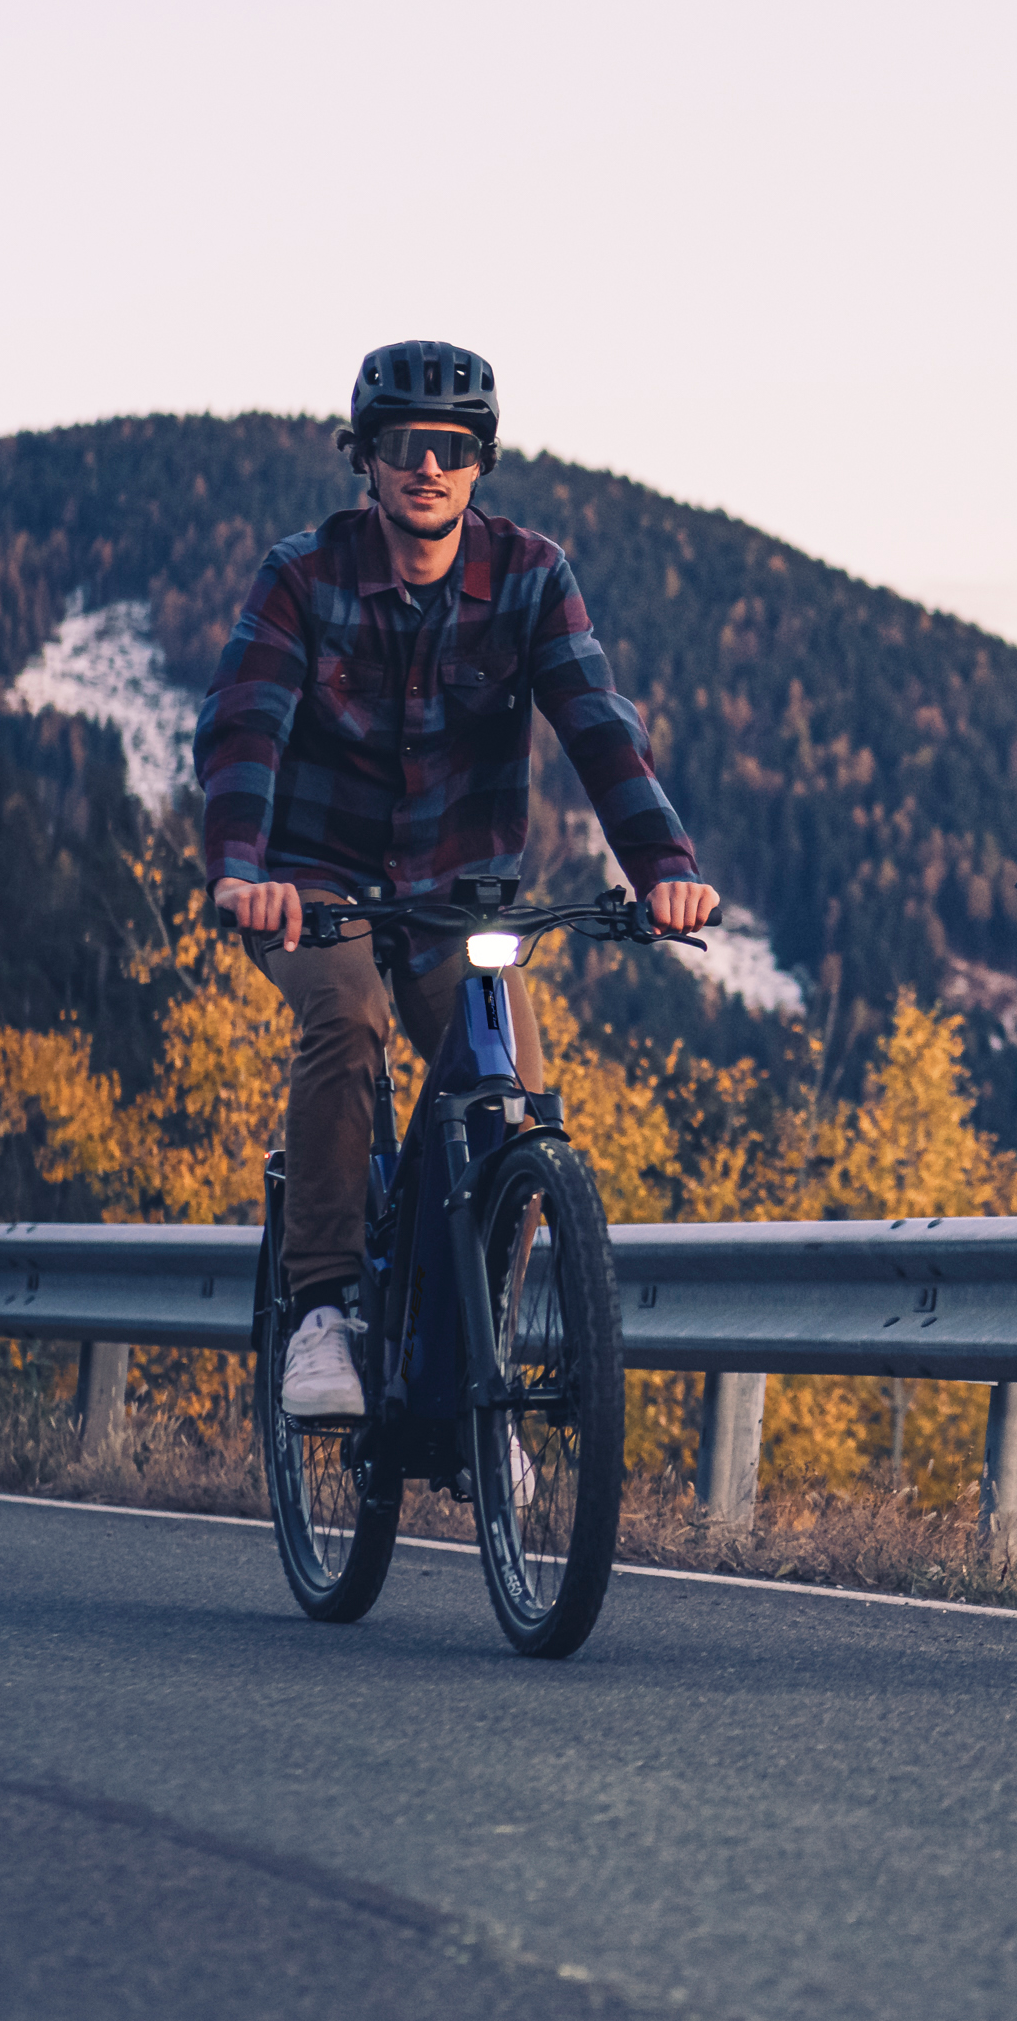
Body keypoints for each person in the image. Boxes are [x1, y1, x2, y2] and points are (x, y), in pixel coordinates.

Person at [198, 340, 721, 1420]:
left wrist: (666, 871)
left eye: (450, 446)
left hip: (459, 897)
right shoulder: (304, 575)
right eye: (402, 444)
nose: (425, 466)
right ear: (367, 459)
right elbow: (243, 726)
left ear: (480, 461)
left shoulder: (530, 575)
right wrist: (243, 872)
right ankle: (323, 1313)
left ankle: (477, 1386)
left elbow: (598, 727)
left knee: (515, 1111)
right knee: (346, 1020)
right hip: (313, 884)